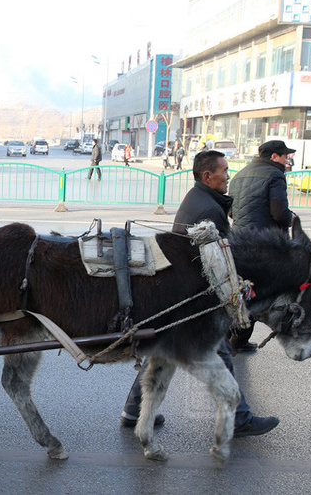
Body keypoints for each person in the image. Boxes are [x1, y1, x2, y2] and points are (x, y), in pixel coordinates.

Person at [119, 150, 280, 438]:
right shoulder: (207, 209)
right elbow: (215, 260)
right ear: (208, 175)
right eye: (225, 171)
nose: (228, 176)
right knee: (219, 352)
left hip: (182, 288)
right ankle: (240, 418)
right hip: (192, 294)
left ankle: (134, 411)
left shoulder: (202, 199)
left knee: (160, 349)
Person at [227, 140, 296, 351]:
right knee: (257, 295)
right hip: (263, 245)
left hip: (237, 241)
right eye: (285, 156)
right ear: (274, 157)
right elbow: (278, 212)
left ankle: (232, 339)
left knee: (240, 291)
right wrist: (291, 219)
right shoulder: (275, 175)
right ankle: (236, 342)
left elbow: (231, 212)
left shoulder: (239, 174)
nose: (287, 160)